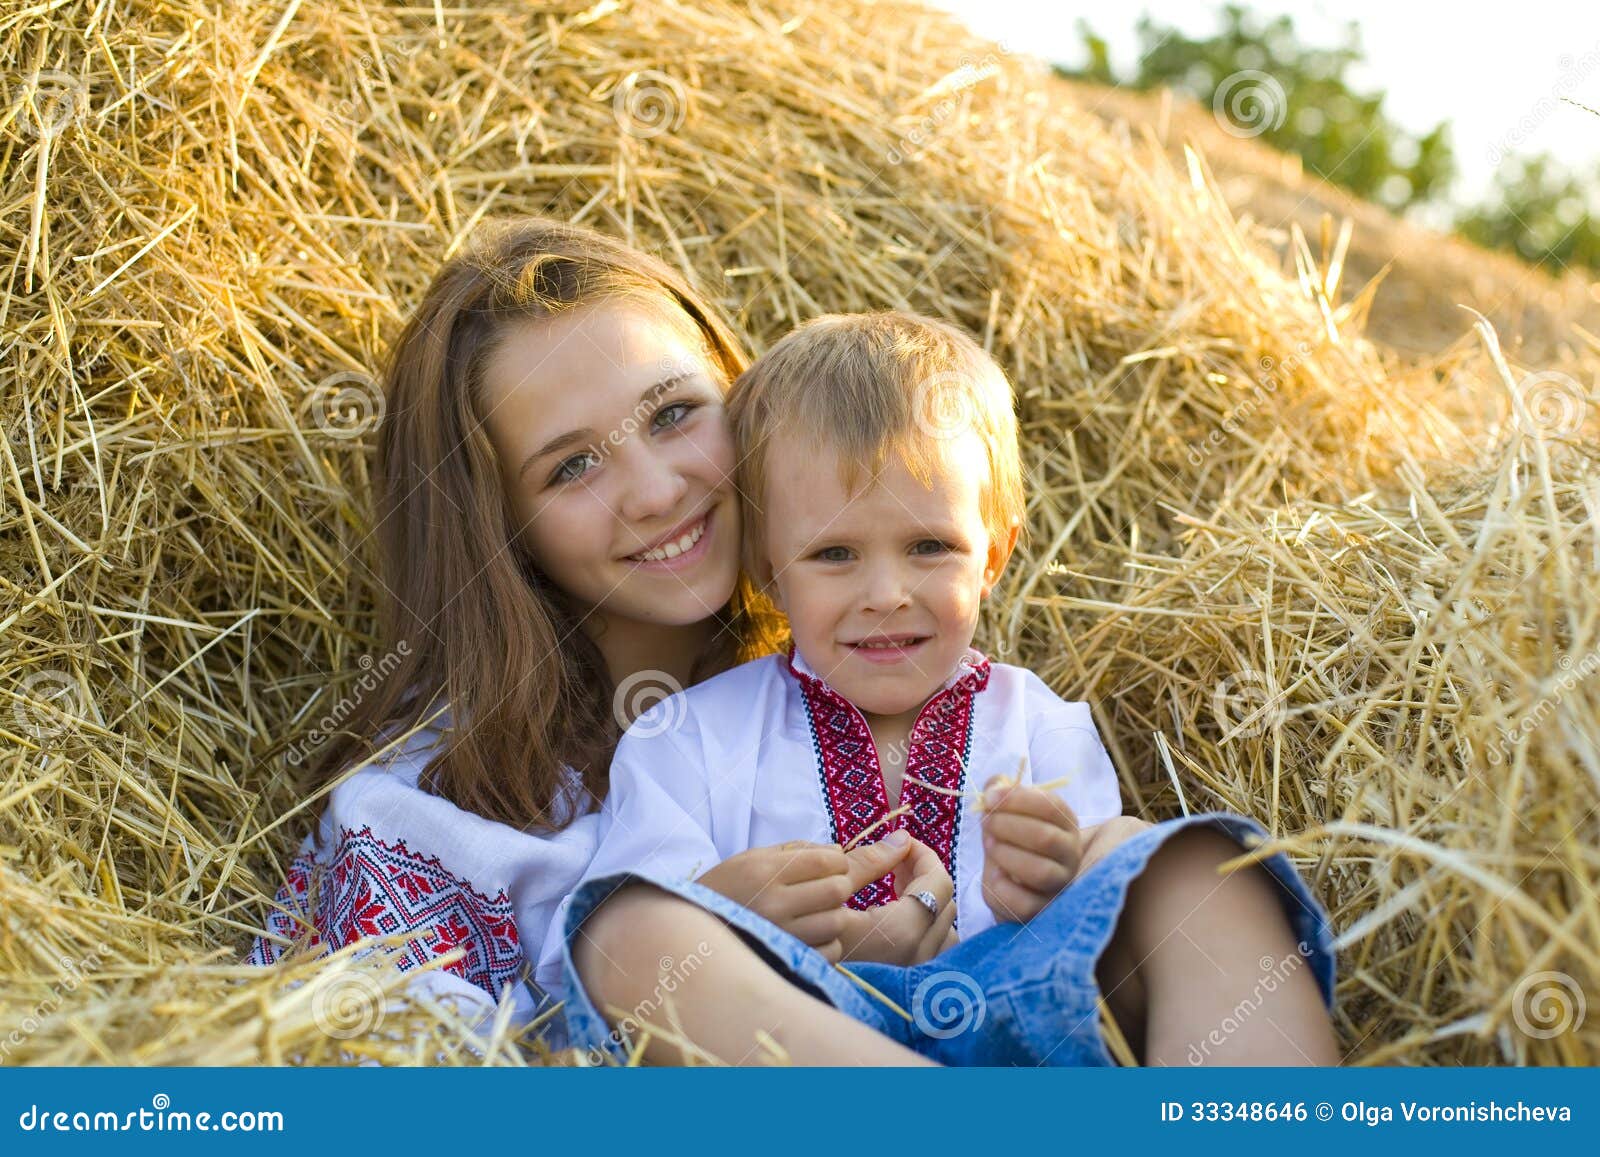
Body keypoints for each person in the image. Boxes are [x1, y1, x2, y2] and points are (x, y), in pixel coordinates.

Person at [554, 312, 1341, 1066]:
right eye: (834, 555)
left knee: (1179, 861)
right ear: (767, 569)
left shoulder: (1041, 721)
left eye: (930, 546)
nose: (888, 592)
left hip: (1026, 1015)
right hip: (798, 1040)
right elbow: (610, 956)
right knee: (629, 930)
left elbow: (1105, 925)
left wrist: (1055, 880)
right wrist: (731, 910)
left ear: (994, 556)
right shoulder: (687, 735)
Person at [245, 216, 802, 1048]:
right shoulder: (423, 818)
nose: (653, 491)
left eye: (674, 412)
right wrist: (698, 960)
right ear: (498, 530)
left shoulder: (869, 659)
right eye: (572, 466)